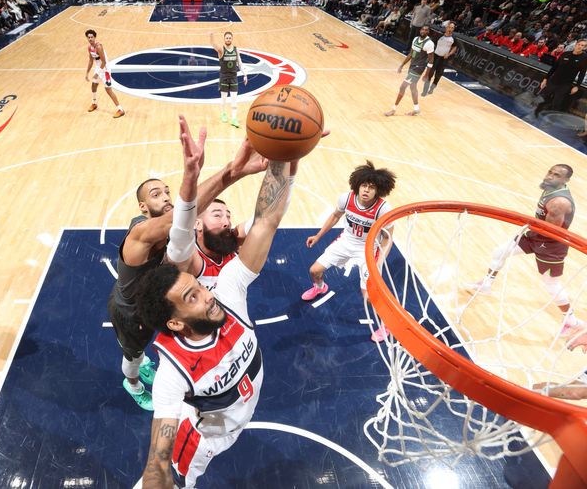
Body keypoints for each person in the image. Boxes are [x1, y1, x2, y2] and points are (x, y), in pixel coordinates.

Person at [136, 156, 307, 488]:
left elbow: (266, 220)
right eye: (193, 298)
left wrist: (285, 157)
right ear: (174, 323)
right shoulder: (173, 374)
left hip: (238, 414)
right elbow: (157, 461)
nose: (207, 296)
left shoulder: (228, 289)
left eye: (199, 288)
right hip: (206, 436)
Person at [108, 116, 268, 410]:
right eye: (156, 195)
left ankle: (139, 363)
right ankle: (132, 382)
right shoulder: (140, 234)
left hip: (157, 302)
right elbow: (180, 218)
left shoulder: (172, 232)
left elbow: (185, 221)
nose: (167, 197)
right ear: (143, 207)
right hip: (131, 312)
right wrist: (228, 172)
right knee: (133, 354)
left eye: (167, 191)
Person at [466, 165, 583, 336]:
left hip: (551, 246)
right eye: (550, 172)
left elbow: (550, 231)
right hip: (536, 236)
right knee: (500, 252)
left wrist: (528, 224)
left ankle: (572, 321)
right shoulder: (551, 189)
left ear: (566, 180)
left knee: (551, 285)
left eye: (556, 175)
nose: (550, 176)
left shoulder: (559, 202)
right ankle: (487, 283)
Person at [300, 161, 397, 342]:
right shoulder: (346, 198)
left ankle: (387, 323)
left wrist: (378, 262)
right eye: (364, 185)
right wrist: (318, 236)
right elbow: (335, 216)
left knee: (368, 296)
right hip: (345, 242)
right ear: (357, 185)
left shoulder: (383, 209)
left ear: (379, 190)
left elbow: (387, 238)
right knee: (314, 271)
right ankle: (320, 288)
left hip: (368, 250)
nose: (366, 190)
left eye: (371, 187)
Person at [384, 25, 434, 117]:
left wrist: (426, 74)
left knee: (402, 87)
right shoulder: (415, 39)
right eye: (422, 29)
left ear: (428, 32)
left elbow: (431, 60)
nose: (423, 31)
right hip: (412, 66)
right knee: (413, 88)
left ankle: (393, 109)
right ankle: (416, 109)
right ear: (420, 30)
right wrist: (402, 65)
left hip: (419, 68)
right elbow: (411, 53)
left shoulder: (429, 43)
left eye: (426, 30)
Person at [534, 38, 586, 116]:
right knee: (543, 98)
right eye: (579, 44)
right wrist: (545, 79)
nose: (580, 46)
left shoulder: (584, 58)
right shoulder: (565, 54)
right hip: (553, 80)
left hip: (565, 84)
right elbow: (554, 67)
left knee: (556, 103)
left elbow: (582, 73)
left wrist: (577, 86)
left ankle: (550, 121)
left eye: (583, 46)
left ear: (585, 48)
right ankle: (536, 113)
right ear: (575, 45)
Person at [210, 31, 248, 128]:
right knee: (224, 98)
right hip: (224, 77)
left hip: (234, 77)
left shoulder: (236, 50)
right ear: (224, 39)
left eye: (229, 38)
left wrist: (245, 74)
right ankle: (223, 114)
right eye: (226, 38)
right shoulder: (221, 50)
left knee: (234, 99)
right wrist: (211, 36)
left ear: (232, 39)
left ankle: (234, 119)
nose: (228, 39)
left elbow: (240, 63)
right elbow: (214, 45)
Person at [84, 29, 124, 118]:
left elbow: (104, 62)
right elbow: (91, 60)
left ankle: (120, 109)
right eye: (88, 37)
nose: (90, 39)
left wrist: (97, 73)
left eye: (92, 37)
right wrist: (87, 72)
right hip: (99, 68)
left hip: (105, 69)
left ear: (95, 37)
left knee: (108, 90)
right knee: (93, 85)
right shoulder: (89, 47)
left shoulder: (98, 47)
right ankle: (94, 103)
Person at [422, 22, 458, 97]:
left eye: (452, 28)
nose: (450, 29)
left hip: (443, 60)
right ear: (446, 27)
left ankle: (432, 88)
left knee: (438, 75)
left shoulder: (453, 39)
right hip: (435, 57)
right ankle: (425, 90)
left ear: (453, 29)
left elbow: (455, 47)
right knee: (430, 73)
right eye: (449, 27)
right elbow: (432, 43)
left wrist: (449, 54)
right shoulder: (439, 35)